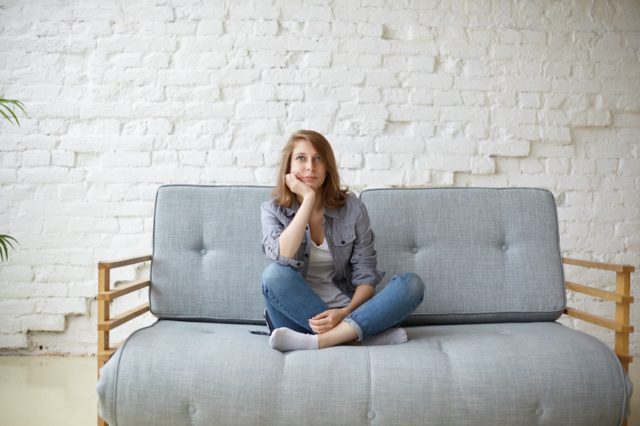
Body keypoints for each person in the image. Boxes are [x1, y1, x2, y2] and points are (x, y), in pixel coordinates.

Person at [260, 130, 425, 352]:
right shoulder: (272, 210)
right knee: (274, 274)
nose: (310, 166)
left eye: (318, 158)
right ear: (288, 166)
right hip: (296, 318)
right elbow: (285, 254)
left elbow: (366, 276)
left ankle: (324, 340)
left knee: (411, 284)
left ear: (328, 166)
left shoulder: (352, 209)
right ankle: (356, 336)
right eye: (301, 158)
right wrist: (308, 198)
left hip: (346, 311)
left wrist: (345, 313)